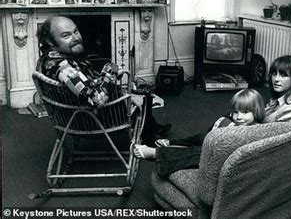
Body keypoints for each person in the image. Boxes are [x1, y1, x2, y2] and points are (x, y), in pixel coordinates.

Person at [36, 16, 170, 144]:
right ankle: (150, 137)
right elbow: (97, 99)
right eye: (66, 35)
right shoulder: (64, 68)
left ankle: (154, 129)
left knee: (133, 94)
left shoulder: (48, 59)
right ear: (49, 41)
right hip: (90, 119)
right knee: (144, 97)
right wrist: (110, 70)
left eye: (76, 31)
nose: (76, 38)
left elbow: (85, 86)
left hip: (72, 114)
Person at [132, 88, 265, 176]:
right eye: (236, 112)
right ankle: (172, 142)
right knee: (200, 137)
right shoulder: (239, 122)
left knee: (198, 152)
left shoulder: (255, 131)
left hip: (219, 155)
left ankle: (155, 153)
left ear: (257, 111)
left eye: (245, 112)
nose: (239, 117)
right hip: (215, 141)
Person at [263, 55, 291, 126]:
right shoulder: (279, 100)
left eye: (283, 75)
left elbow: (281, 136)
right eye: (274, 74)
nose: (276, 79)